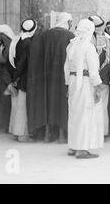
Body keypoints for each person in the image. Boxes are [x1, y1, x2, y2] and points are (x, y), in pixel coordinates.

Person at [27, 12, 74, 142]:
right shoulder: (70, 36)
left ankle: (47, 134)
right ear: (68, 22)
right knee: (61, 105)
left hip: (45, 79)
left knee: (47, 104)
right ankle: (61, 135)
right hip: (62, 78)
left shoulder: (43, 36)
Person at [64, 19, 105, 159]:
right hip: (86, 83)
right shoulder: (88, 47)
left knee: (75, 115)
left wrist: (68, 85)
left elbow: (66, 69)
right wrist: (98, 87)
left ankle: (73, 146)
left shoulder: (71, 46)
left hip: (74, 83)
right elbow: (93, 71)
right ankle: (82, 149)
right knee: (86, 115)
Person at [9, 19, 37, 142]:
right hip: (25, 78)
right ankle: (22, 134)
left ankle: (17, 132)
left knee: (20, 105)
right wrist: (16, 77)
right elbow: (23, 63)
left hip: (21, 77)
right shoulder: (28, 43)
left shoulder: (19, 40)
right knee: (23, 106)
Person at [89, 15, 110, 137]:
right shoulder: (105, 39)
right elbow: (109, 61)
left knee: (97, 107)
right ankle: (100, 133)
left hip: (93, 79)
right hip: (99, 78)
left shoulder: (92, 39)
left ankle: (98, 133)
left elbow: (107, 61)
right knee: (101, 107)